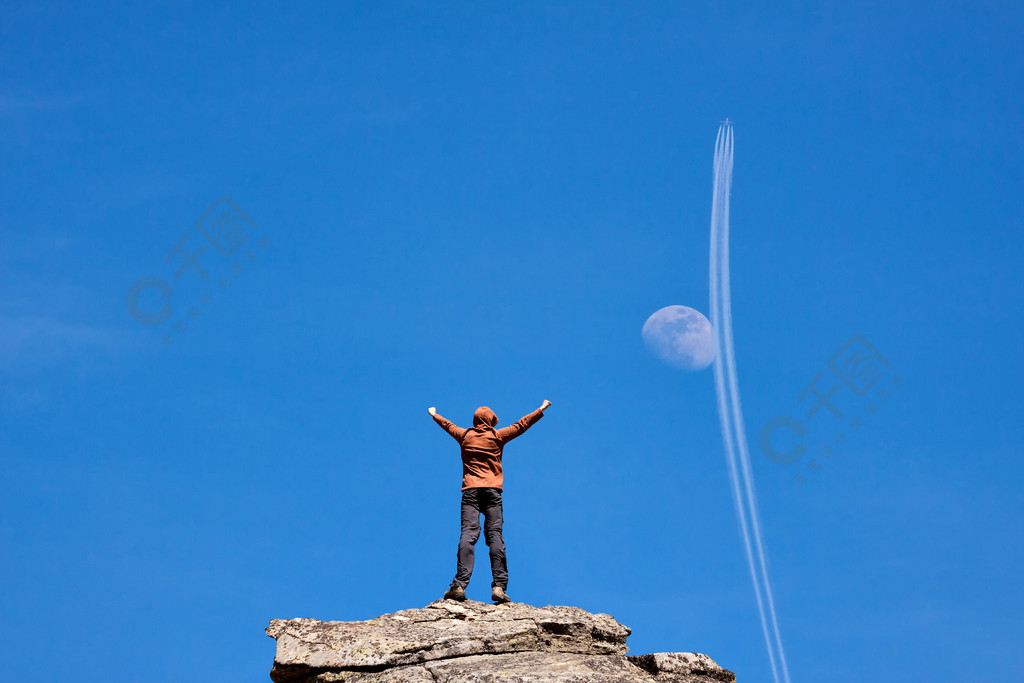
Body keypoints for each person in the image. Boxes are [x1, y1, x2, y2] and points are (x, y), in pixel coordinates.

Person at [428, 400, 552, 603]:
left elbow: (448, 426)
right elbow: (521, 425)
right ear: (491, 422)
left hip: (470, 492)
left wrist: (434, 414)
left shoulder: (465, 435)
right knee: (494, 535)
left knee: (468, 534)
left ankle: (459, 585)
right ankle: (499, 587)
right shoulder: (497, 436)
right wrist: (540, 409)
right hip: (493, 492)